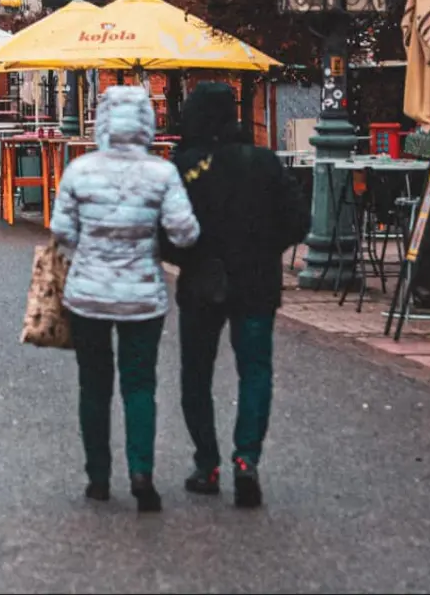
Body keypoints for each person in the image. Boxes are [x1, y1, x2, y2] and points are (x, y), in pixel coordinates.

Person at [49, 86, 200, 513]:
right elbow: (185, 233)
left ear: (102, 122)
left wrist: (89, 249)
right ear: (146, 123)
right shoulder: (162, 173)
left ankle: (98, 477)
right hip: (142, 296)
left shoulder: (80, 170)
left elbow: (61, 231)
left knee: (94, 386)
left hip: (89, 295)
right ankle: (141, 472)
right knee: (139, 385)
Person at [161, 82, 310, 510]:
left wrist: (187, 257)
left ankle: (207, 464)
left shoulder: (185, 165)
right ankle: (247, 458)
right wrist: (265, 247)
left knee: (196, 375)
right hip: (257, 279)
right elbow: (299, 220)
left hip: (202, 280)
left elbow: (167, 230)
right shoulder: (263, 162)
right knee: (255, 371)